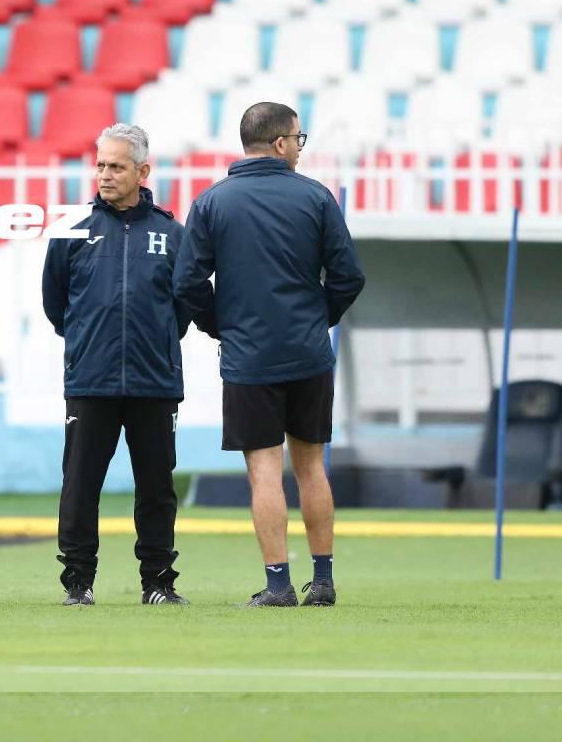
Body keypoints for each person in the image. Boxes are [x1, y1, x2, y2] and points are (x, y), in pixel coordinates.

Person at [173, 102, 365, 608]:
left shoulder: (212, 202)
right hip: (308, 353)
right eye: (298, 140)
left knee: (263, 470)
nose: (300, 148)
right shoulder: (316, 198)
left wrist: (222, 326)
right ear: (280, 144)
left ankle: (278, 584)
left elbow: (188, 282)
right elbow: (349, 276)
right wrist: (316, 319)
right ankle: (322, 581)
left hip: (249, 356)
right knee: (311, 468)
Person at [42, 124, 214, 606]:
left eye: (116, 166)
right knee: (80, 486)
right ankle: (78, 581)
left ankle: (158, 581)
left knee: (157, 488)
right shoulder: (71, 232)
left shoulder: (172, 234)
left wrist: (154, 338)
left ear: (142, 171)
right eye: (100, 165)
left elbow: (183, 306)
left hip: (154, 381)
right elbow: (57, 306)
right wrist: (87, 341)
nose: (105, 175)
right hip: (89, 380)